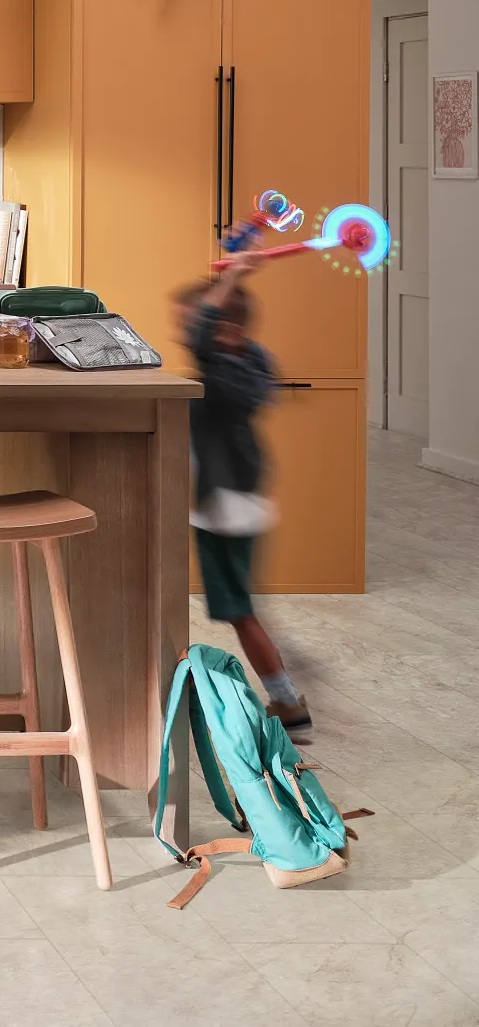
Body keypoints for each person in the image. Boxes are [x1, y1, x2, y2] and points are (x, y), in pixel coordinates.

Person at [174, 255, 312, 741]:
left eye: (192, 319)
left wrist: (232, 276)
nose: (184, 330)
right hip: (237, 498)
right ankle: (285, 692)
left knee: (238, 610)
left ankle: (288, 702)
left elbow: (201, 339)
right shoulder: (251, 360)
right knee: (238, 606)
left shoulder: (225, 366)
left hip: (225, 506)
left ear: (223, 325)